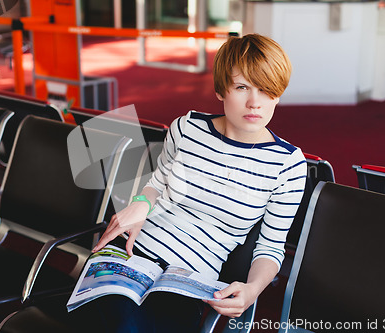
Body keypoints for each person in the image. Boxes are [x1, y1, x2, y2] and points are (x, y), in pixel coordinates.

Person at [88, 33, 307, 332]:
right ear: (221, 90)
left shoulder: (288, 165)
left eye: (267, 90)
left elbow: (270, 246)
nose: (255, 102)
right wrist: (140, 204)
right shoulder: (187, 127)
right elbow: (157, 183)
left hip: (186, 280)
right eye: (242, 87)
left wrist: (252, 290)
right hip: (130, 255)